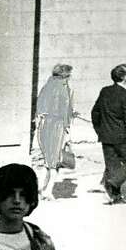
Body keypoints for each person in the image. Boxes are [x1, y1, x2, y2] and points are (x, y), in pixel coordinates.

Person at [33, 63, 76, 200]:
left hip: (45, 124)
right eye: (69, 75)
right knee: (55, 160)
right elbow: (65, 111)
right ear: (65, 76)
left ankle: (42, 188)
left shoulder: (46, 86)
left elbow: (39, 107)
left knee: (48, 159)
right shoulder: (64, 89)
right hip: (57, 125)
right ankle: (48, 191)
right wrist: (68, 130)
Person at [90, 62, 126, 204]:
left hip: (105, 136)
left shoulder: (105, 91)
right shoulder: (124, 95)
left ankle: (114, 196)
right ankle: (113, 183)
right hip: (122, 136)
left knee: (113, 166)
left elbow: (95, 112)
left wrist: (100, 130)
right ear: (124, 78)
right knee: (115, 170)